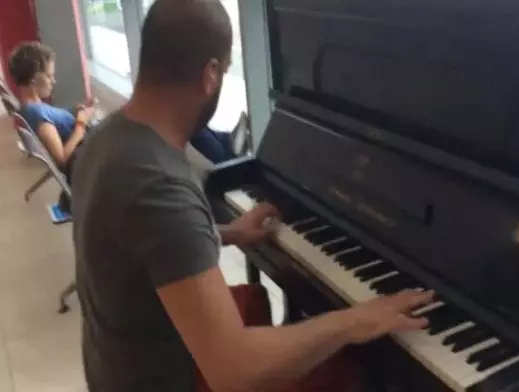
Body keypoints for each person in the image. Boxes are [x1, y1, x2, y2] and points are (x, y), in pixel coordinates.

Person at [71, 1, 435, 391]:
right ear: (210, 74)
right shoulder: (160, 183)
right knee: (347, 371)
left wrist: (225, 232)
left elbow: (146, 240)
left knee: (259, 304)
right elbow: (235, 372)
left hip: (114, 363)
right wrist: (354, 320)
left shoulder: (107, 136)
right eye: (226, 70)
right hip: (163, 380)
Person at [8, 41, 95, 170]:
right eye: (49, 76)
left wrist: (75, 112)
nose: (53, 81)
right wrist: (81, 124)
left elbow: (55, 122)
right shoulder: (36, 113)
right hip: (88, 160)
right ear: (33, 79)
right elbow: (62, 158)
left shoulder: (32, 106)